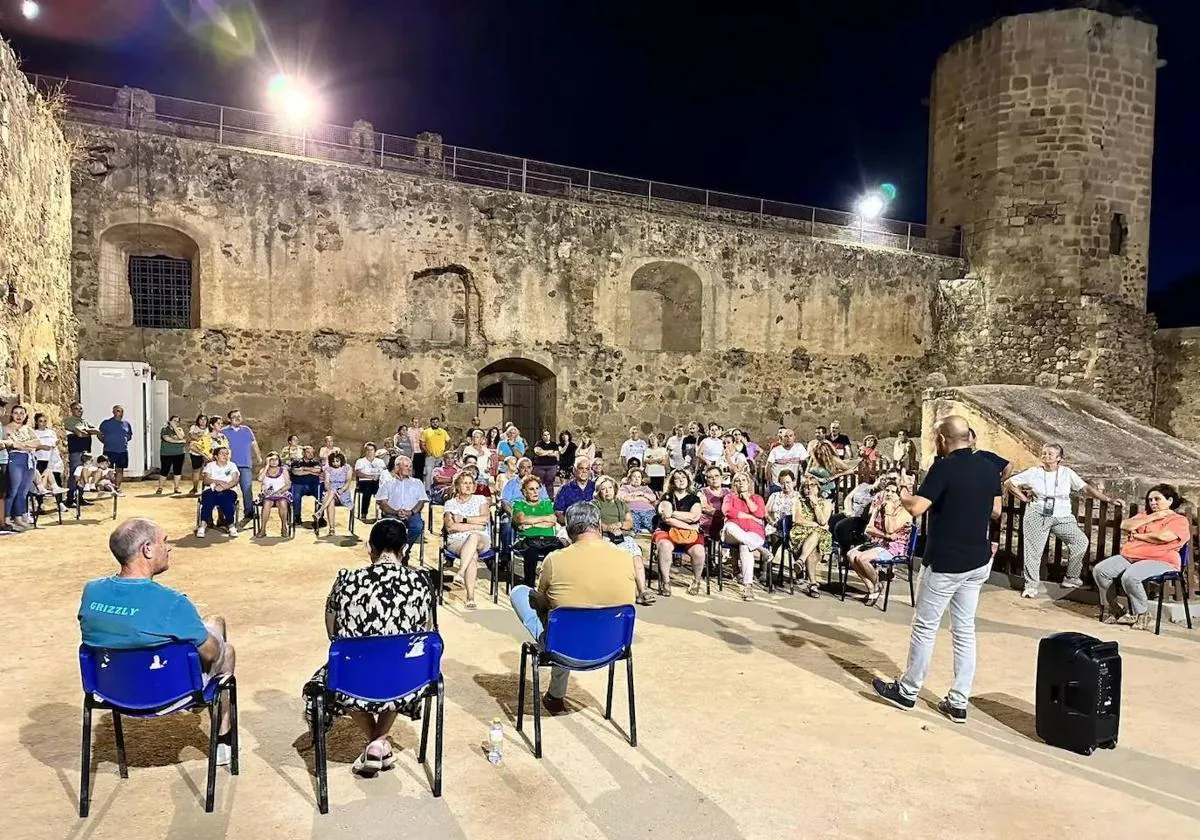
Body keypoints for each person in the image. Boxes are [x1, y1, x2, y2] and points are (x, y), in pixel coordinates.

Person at [873, 415, 1002, 724]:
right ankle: (959, 700)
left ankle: (908, 690)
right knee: (964, 630)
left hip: (947, 561)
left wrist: (904, 494)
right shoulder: (987, 465)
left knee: (926, 626)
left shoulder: (943, 467)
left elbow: (917, 507)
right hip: (978, 560)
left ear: (943, 440)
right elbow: (996, 510)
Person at [78, 518, 237, 763]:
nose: (169, 547)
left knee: (213, 623)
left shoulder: (91, 591)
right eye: (164, 541)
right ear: (147, 549)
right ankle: (222, 739)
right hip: (170, 693)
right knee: (226, 648)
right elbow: (211, 655)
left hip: (110, 691)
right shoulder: (172, 602)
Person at [302, 517, 433, 776]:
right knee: (400, 662)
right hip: (408, 680)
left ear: (369, 548)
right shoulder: (422, 582)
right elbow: (425, 633)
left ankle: (374, 742)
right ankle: (379, 741)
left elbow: (333, 634)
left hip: (354, 680)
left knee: (334, 674)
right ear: (404, 550)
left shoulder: (346, 580)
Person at [508, 501, 637, 715]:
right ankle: (555, 693)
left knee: (522, 594)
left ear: (568, 529)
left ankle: (556, 693)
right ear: (599, 525)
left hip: (565, 645)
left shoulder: (556, 559)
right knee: (569, 617)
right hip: (613, 646)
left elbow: (541, 602)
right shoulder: (626, 556)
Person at [1005, 443, 1123, 598]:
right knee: (1033, 551)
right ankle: (1031, 585)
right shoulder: (1034, 472)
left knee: (1080, 541)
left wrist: (1108, 499)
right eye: (1044, 453)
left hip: (1062, 516)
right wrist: (1023, 498)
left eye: (1050, 454)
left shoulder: (1067, 473)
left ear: (1059, 458)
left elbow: (1085, 488)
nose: (1046, 456)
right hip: (1038, 514)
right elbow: (1009, 483)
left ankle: (1071, 577)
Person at [1093, 484, 1191, 630]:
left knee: (1130, 576)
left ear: (1170, 500)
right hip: (1131, 556)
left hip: (1161, 560)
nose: (1153, 503)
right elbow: (1125, 525)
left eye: (1157, 499)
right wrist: (1152, 517)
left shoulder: (1178, 520)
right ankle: (1114, 608)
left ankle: (1142, 613)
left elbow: (1163, 538)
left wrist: (1138, 535)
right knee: (1101, 570)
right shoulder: (1146, 515)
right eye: (1150, 499)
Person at [845, 483, 913, 606]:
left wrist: (888, 512)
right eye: (887, 490)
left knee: (862, 559)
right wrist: (877, 512)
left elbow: (890, 529)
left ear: (899, 496)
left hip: (893, 548)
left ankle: (876, 585)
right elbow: (869, 529)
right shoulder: (880, 507)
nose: (889, 494)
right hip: (878, 543)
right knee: (851, 555)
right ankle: (872, 587)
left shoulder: (904, 511)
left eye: (893, 492)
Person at [594, 476, 655, 605]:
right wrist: (609, 527)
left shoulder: (621, 504)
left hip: (622, 535)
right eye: (603, 489)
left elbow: (629, 522)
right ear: (599, 491)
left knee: (636, 556)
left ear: (614, 489)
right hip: (604, 536)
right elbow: (596, 523)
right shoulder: (595, 504)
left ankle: (642, 591)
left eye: (610, 488)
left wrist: (620, 525)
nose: (607, 491)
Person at [653, 469, 706, 596]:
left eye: (683, 477)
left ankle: (696, 581)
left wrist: (674, 514)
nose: (681, 480)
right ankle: (665, 581)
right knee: (665, 546)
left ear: (688, 480)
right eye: (677, 478)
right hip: (667, 530)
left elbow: (694, 517)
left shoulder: (694, 498)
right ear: (672, 482)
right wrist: (690, 526)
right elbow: (667, 518)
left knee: (699, 551)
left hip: (689, 534)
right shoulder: (666, 497)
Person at [442, 471, 491, 609]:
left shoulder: (480, 499)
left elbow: (485, 519)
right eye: (465, 483)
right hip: (457, 541)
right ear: (457, 486)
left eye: (471, 483)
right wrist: (475, 525)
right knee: (472, 555)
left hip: (481, 539)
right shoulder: (450, 504)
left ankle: (460, 573)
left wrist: (463, 520)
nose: (468, 486)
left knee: (474, 536)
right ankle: (470, 597)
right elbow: (450, 527)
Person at [721, 473, 770, 600]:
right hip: (732, 533)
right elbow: (728, 512)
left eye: (744, 480)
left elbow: (759, 513)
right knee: (730, 526)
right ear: (734, 484)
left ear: (749, 483)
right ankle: (760, 549)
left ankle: (748, 586)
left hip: (754, 533)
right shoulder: (729, 497)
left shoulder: (757, 498)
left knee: (745, 546)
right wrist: (749, 516)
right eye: (737, 480)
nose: (741, 483)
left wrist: (747, 498)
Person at [512, 476, 564, 588]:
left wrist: (532, 524)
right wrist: (543, 519)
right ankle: (529, 586)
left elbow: (552, 521)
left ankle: (553, 586)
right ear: (524, 492)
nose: (535, 491)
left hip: (548, 540)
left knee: (559, 553)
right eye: (531, 489)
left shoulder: (546, 503)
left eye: (537, 488)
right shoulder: (519, 504)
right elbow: (521, 520)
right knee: (531, 552)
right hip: (528, 540)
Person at [790, 475, 833, 598]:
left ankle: (801, 561)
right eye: (806, 486)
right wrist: (815, 525)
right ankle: (813, 584)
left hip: (820, 536)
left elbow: (823, 520)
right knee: (813, 544)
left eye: (812, 485)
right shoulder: (798, 501)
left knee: (816, 537)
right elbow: (797, 519)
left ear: (818, 488)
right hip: (800, 533)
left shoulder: (826, 503)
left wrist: (815, 505)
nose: (809, 488)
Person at [374, 456, 427, 555]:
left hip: (412, 513)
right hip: (392, 513)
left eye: (411, 466)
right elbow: (383, 503)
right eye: (406, 466)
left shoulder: (417, 483)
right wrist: (396, 512)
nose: (410, 468)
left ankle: (404, 550)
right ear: (397, 467)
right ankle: (394, 551)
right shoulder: (388, 483)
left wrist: (410, 512)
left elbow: (421, 502)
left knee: (417, 526)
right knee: (391, 529)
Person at [4, 404, 40, 527]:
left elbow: (37, 442)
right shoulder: (6, 428)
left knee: (23, 491)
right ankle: (7, 518)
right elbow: (12, 445)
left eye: (21, 413)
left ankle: (19, 518)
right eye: (16, 413)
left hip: (29, 460)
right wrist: (25, 444)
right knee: (13, 490)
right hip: (16, 459)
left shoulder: (28, 429)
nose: (19, 416)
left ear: (25, 416)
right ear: (11, 414)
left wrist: (22, 444)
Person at [223, 409, 262, 521]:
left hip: (245, 464)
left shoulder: (247, 430)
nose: (237, 418)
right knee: (227, 489)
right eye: (234, 416)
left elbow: (254, 444)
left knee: (247, 489)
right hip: (229, 466)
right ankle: (227, 513)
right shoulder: (223, 431)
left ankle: (249, 512)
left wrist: (258, 456)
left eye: (239, 416)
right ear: (229, 419)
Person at [64, 402, 102, 507]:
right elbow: (80, 434)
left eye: (80, 409)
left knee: (84, 473)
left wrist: (86, 430)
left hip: (86, 452)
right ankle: (70, 499)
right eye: (76, 409)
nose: (79, 411)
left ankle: (80, 497)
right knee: (74, 474)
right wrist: (88, 431)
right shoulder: (69, 421)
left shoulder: (84, 422)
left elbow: (97, 431)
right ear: (71, 410)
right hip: (76, 451)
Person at [198, 447, 241, 538]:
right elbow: (206, 480)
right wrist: (219, 482)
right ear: (216, 456)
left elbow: (235, 480)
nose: (225, 456)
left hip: (228, 490)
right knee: (208, 501)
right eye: (222, 453)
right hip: (212, 489)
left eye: (226, 454)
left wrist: (225, 487)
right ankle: (202, 526)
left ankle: (231, 525)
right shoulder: (210, 465)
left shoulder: (232, 465)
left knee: (226, 500)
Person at [31, 412, 66, 513]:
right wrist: (41, 447)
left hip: (51, 459)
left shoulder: (51, 432)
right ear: (37, 422)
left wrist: (55, 445)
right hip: (39, 459)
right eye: (40, 421)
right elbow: (32, 447)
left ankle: (60, 502)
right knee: (40, 481)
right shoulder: (34, 433)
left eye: (45, 421)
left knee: (56, 480)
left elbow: (54, 443)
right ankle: (40, 504)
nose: (43, 423)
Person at [97, 405, 133, 494]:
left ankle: (117, 487)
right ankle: (108, 487)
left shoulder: (126, 424)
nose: (120, 413)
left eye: (121, 411)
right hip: (109, 450)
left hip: (122, 451)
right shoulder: (106, 423)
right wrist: (106, 442)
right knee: (107, 470)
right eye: (117, 411)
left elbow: (129, 436)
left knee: (120, 470)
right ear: (113, 412)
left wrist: (123, 441)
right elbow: (99, 434)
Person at [317, 451, 355, 536]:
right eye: (333, 461)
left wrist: (342, 489)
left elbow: (348, 482)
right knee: (331, 499)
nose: (335, 463)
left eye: (337, 461)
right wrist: (331, 489)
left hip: (343, 493)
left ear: (341, 460)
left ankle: (320, 511)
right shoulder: (328, 469)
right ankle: (332, 528)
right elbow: (326, 483)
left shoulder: (347, 468)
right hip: (331, 493)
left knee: (331, 493)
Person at [257, 451, 292, 537]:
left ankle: (284, 527)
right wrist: (266, 466)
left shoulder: (283, 471)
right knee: (267, 503)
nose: (274, 461)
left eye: (276, 459)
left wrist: (279, 491)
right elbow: (259, 479)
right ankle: (263, 529)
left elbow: (288, 484)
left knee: (282, 502)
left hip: (281, 493)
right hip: (268, 495)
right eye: (271, 459)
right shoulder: (264, 470)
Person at [553, 458, 595, 526]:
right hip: (571, 527)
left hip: (593, 527)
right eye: (581, 468)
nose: (584, 471)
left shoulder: (595, 487)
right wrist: (572, 524)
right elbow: (558, 514)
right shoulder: (564, 489)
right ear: (574, 470)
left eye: (587, 469)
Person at [289, 445, 324, 526]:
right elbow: (295, 472)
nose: (310, 454)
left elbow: (318, 470)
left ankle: (320, 517)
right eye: (308, 452)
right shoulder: (296, 462)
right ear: (303, 453)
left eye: (312, 452)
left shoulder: (316, 462)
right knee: (296, 496)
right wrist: (311, 472)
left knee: (321, 496)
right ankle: (296, 517)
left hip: (313, 485)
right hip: (299, 484)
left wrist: (303, 469)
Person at [354, 443, 388, 521]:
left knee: (384, 491)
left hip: (377, 481)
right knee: (367, 490)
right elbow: (358, 473)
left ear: (375, 451)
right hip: (364, 482)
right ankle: (364, 513)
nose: (369, 452)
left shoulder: (380, 461)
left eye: (371, 450)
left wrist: (378, 477)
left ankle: (385, 512)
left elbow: (384, 472)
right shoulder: (360, 461)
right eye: (368, 450)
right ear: (365, 451)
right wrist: (370, 477)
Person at [617, 468, 657, 534]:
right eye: (634, 476)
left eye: (639, 477)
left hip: (648, 511)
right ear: (629, 478)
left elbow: (653, 498)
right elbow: (625, 498)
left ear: (641, 479)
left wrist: (642, 493)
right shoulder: (625, 487)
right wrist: (643, 498)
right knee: (633, 529)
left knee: (653, 528)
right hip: (632, 511)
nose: (637, 479)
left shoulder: (645, 488)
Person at [157, 415, 187, 495]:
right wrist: (180, 441)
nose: (176, 422)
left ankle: (176, 488)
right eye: (174, 421)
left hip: (179, 453)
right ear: (170, 421)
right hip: (166, 453)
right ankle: (160, 487)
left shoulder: (180, 429)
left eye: (177, 421)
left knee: (177, 470)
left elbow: (181, 436)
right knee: (164, 470)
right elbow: (168, 439)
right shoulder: (164, 429)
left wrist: (175, 429)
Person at [419, 418, 451, 490]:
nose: (435, 423)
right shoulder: (426, 432)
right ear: (430, 423)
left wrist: (445, 451)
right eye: (433, 422)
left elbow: (449, 441)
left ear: (438, 423)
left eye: (436, 422)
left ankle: (438, 489)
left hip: (441, 457)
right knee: (428, 474)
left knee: (439, 474)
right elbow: (422, 443)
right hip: (430, 457)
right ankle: (427, 490)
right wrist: (427, 452)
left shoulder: (443, 432)